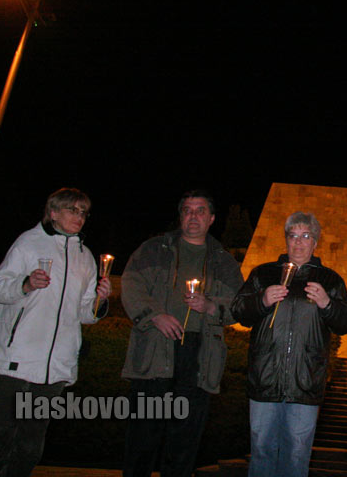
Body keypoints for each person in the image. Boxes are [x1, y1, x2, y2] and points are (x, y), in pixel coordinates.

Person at [0, 187, 111, 477]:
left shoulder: (85, 257)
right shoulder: (29, 243)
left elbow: (84, 313)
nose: (80, 217)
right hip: (16, 359)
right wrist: (26, 283)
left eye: (84, 212)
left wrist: (100, 300)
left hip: (54, 366)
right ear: (53, 212)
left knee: (30, 445)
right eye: (73, 209)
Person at [120, 190, 243, 477]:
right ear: (180, 216)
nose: (193, 216)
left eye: (200, 210)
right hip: (155, 349)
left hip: (199, 356)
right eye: (187, 210)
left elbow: (238, 305)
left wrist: (212, 306)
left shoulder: (223, 261)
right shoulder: (153, 249)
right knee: (143, 434)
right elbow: (131, 285)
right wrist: (154, 316)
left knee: (185, 437)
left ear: (211, 218)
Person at [232, 212, 347, 477]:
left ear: (315, 243)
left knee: (297, 455)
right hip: (265, 379)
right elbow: (239, 311)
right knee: (262, 450)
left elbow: (346, 322)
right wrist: (262, 301)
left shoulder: (330, 280)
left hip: (305, 383)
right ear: (286, 240)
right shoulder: (263, 273)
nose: (299, 242)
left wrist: (327, 304)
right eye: (293, 236)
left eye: (306, 236)